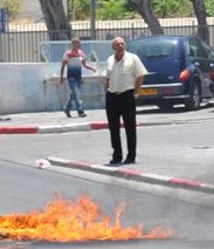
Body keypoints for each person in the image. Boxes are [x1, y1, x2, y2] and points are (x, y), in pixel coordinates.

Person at [103, 35, 147, 165]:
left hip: (127, 95)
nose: (120, 45)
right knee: (113, 127)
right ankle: (117, 155)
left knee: (130, 127)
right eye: (117, 44)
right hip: (112, 96)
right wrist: (106, 89)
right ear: (113, 47)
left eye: (122, 43)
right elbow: (107, 77)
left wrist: (136, 92)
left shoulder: (133, 58)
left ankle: (131, 156)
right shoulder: (110, 60)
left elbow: (140, 76)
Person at [58, 37, 95, 117]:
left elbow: (84, 65)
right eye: (77, 43)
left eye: (79, 43)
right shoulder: (68, 54)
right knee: (77, 93)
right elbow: (63, 66)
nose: (79, 44)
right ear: (73, 44)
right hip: (71, 77)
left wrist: (91, 68)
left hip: (78, 77)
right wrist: (61, 77)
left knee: (74, 95)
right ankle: (80, 111)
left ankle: (67, 109)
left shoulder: (81, 53)